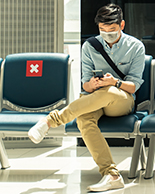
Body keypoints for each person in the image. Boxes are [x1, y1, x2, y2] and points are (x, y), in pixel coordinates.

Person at [28, 3, 145, 192]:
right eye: (103, 30)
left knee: (108, 92)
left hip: (121, 100)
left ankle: (51, 120)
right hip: (94, 98)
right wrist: (93, 84)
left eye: (112, 30)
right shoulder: (90, 46)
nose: (107, 34)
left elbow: (133, 86)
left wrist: (114, 82)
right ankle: (112, 175)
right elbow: (85, 84)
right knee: (84, 119)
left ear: (122, 25)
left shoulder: (135, 47)